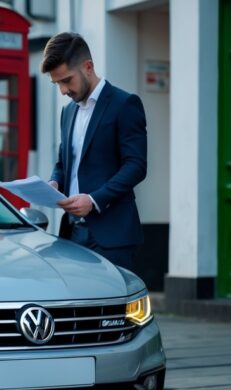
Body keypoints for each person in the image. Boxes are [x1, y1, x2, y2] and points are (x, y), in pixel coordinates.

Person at [41, 32, 147, 271]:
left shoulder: (125, 104)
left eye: (67, 80)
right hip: (71, 233)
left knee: (114, 307)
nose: (63, 90)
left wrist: (94, 199)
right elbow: (63, 163)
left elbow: (136, 166)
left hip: (112, 237)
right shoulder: (68, 112)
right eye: (57, 83)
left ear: (88, 67)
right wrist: (54, 183)